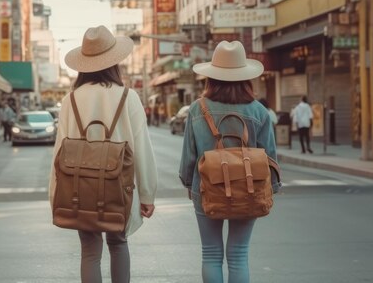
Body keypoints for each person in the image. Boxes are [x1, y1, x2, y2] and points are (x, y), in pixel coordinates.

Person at [50, 25, 158, 283]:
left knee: (89, 252)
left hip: (79, 187)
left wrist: (54, 193)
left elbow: (59, 152)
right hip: (118, 186)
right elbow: (142, 147)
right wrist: (147, 193)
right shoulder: (128, 97)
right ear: (114, 62)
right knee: (119, 244)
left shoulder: (70, 100)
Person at [179, 40, 278, 283]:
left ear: (211, 77)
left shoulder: (196, 109)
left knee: (211, 254)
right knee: (239, 254)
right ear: (246, 78)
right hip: (249, 188)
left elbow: (189, 156)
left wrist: (187, 183)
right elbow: (270, 157)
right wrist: (272, 189)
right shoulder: (259, 112)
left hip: (206, 189)